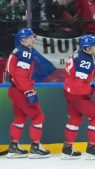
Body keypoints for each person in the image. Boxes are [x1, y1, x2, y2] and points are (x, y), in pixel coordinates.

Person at [6, 28, 51, 159]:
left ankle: (13, 147)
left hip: (14, 90)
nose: (33, 39)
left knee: (19, 117)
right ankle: (35, 147)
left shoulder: (18, 50)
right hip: (21, 90)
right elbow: (20, 76)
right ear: (23, 40)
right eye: (30, 37)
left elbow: (15, 74)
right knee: (38, 116)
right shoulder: (25, 52)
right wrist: (28, 91)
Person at [61, 34, 95, 160]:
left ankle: (67, 149)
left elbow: (78, 79)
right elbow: (79, 84)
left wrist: (92, 87)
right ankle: (91, 149)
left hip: (69, 92)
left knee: (75, 118)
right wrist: (93, 90)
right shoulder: (85, 60)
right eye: (93, 46)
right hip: (77, 94)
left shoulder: (77, 54)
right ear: (87, 48)